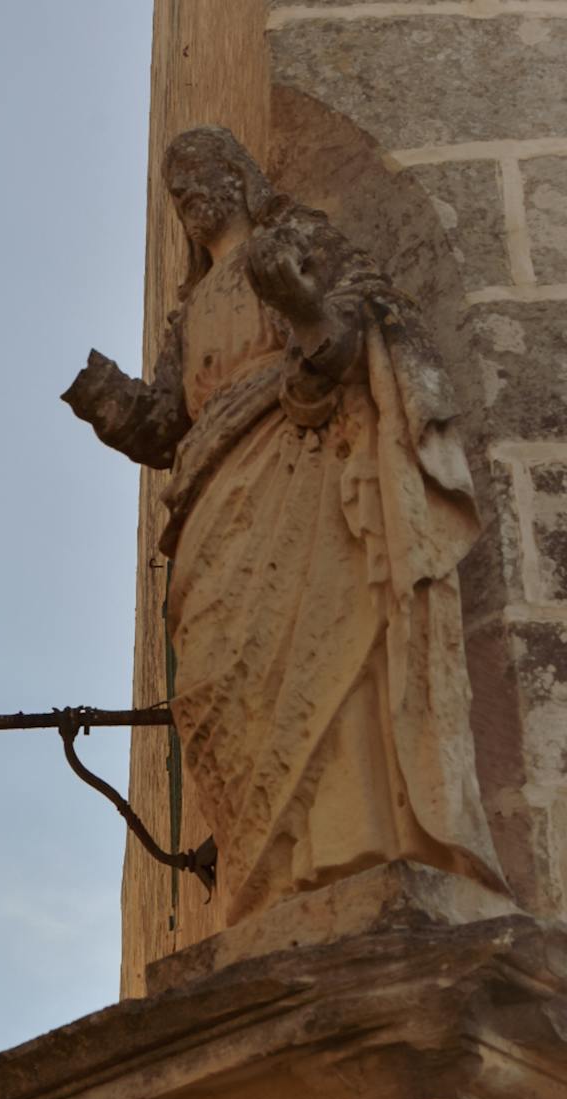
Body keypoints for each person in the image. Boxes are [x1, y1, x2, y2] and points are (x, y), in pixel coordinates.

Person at [63, 126, 504, 923]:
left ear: (238, 176)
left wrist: (300, 305)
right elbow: (165, 426)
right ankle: (264, 878)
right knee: (221, 682)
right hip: (210, 508)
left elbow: (352, 328)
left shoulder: (296, 240)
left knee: (323, 642)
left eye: (199, 175)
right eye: (175, 189)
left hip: (298, 470)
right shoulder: (190, 312)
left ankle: (347, 845)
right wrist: (109, 404)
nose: (187, 195)